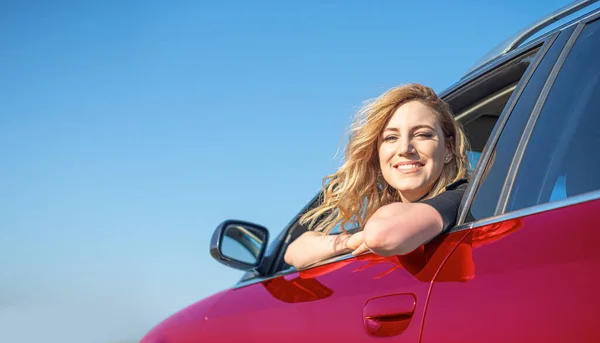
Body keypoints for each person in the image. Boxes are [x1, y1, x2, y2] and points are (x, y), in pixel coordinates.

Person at [284, 83, 470, 270]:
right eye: (391, 138)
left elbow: (381, 234)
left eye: (422, 135)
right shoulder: (383, 220)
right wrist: (351, 241)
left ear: (448, 149)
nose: (405, 149)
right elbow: (294, 252)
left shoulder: (464, 197)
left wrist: (366, 236)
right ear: (377, 153)